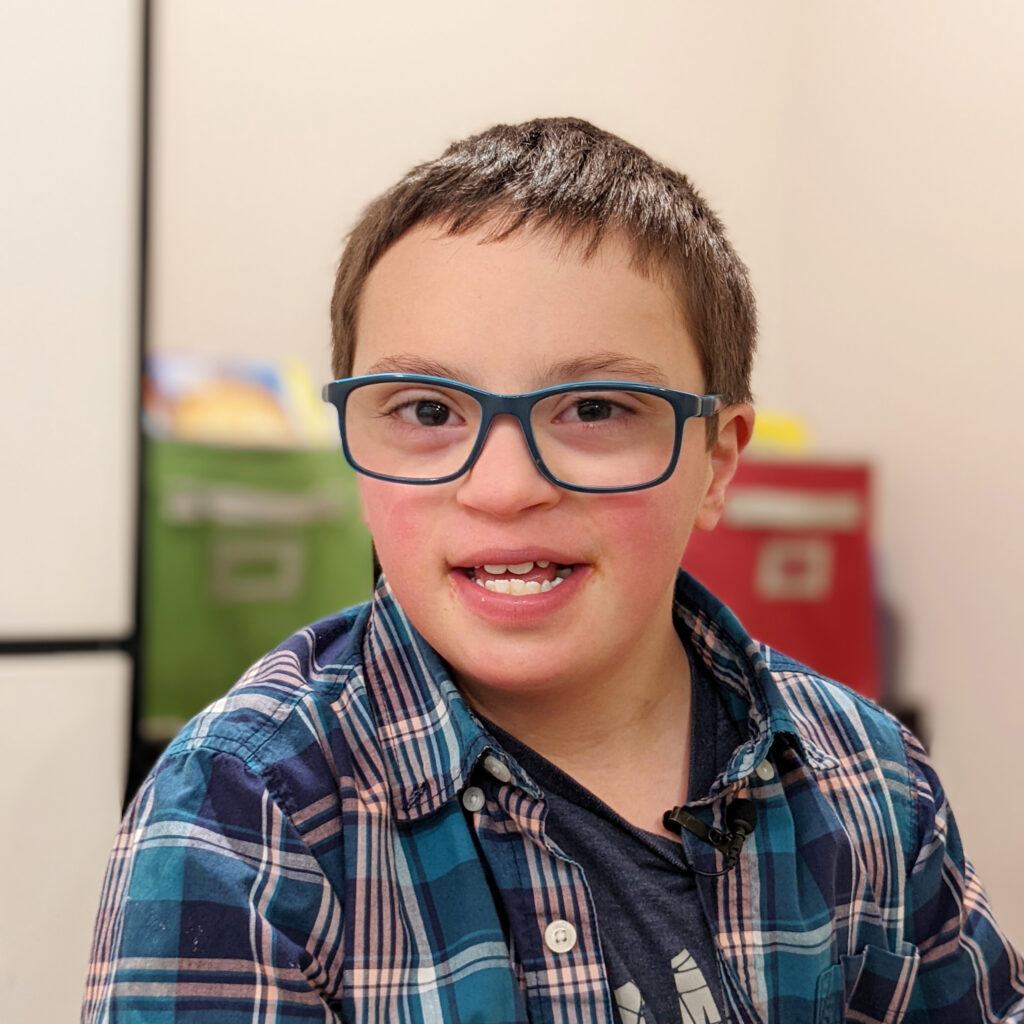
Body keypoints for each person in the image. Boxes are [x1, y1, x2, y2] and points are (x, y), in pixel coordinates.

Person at [83, 117, 1024, 1024]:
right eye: (423, 410)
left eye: (596, 410)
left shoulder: (870, 777)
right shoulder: (241, 815)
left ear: (718, 462)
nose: (502, 488)